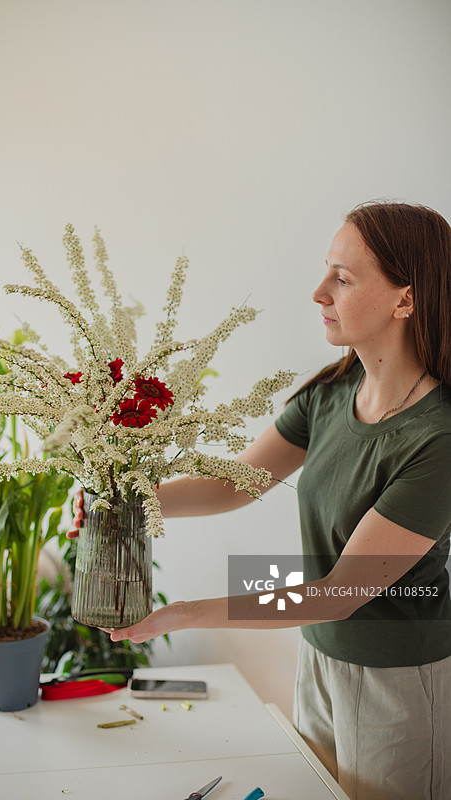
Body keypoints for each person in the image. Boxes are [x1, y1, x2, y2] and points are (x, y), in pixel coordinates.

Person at [69, 200, 451, 800]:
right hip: (319, 660)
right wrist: (125, 503)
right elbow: (236, 481)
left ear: (406, 299)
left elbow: (340, 593)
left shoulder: (437, 440)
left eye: (343, 279)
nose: (318, 291)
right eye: (327, 270)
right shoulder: (331, 393)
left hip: (399, 683)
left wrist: (187, 612)